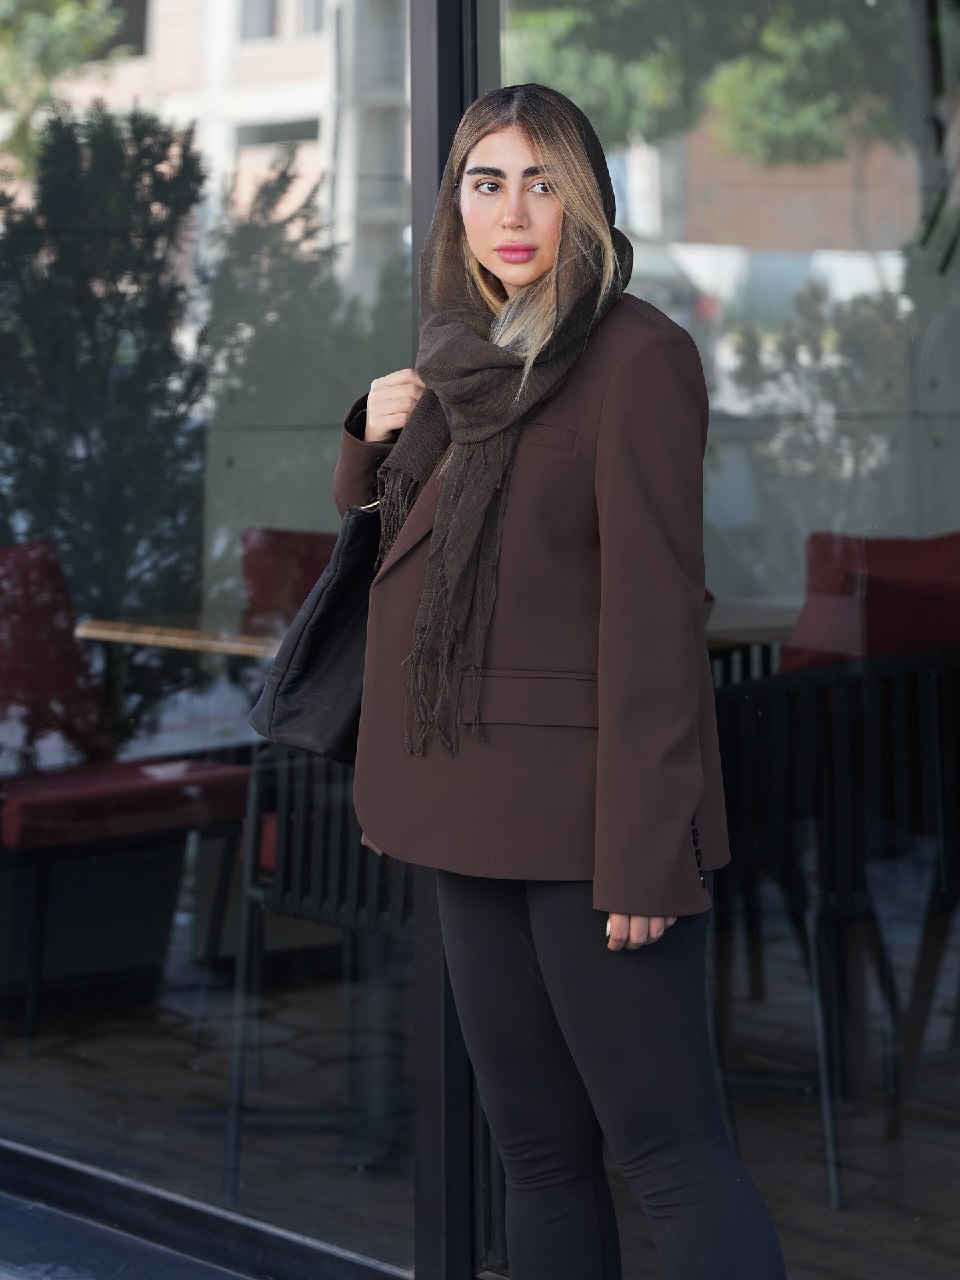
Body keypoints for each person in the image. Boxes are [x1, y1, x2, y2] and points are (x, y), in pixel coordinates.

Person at [332, 83, 785, 1280]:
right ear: (456, 205)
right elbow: (411, 550)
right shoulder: (456, 354)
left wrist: (648, 848)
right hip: (467, 795)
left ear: (585, 199)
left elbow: (655, 618)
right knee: (534, 1149)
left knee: (671, 1151)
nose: (514, 212)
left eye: (543, 183)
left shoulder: (640, 356)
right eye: (487, 183)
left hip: (591, 822)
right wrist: (367, 439)